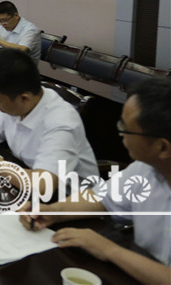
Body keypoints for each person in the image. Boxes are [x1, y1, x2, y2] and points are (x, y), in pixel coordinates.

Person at [20, 78, 171, 285]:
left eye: (125, 128)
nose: (120, 134)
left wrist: (109, 250)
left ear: (162, 147)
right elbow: (100, 198)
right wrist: (53, 211)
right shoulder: (145, 169)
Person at [0, 48, 98, 193]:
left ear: (24, 98)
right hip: (24, 177)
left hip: (69, 198)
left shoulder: (61, 123)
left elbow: (44, 185)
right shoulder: (19, 101)